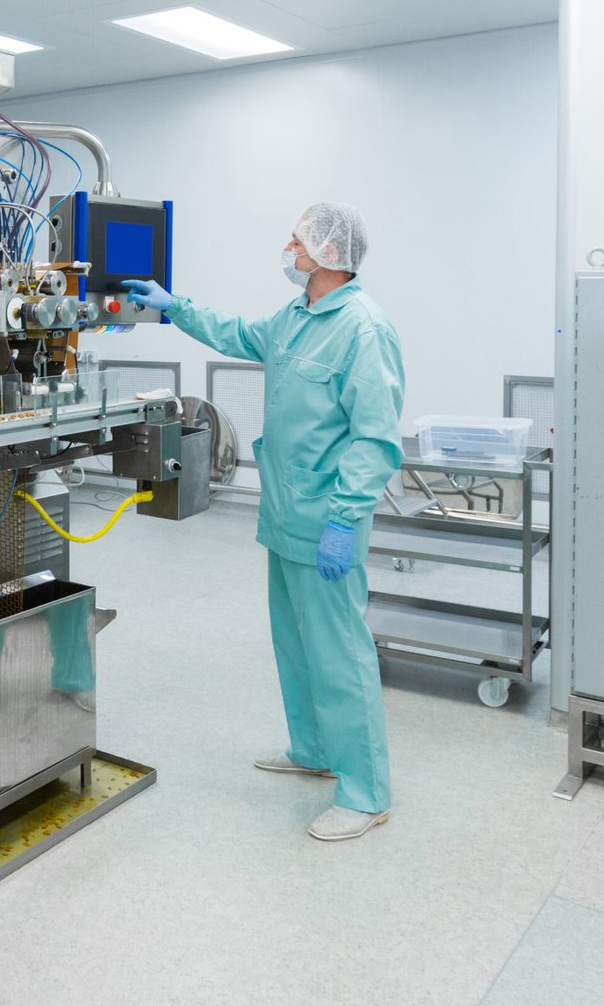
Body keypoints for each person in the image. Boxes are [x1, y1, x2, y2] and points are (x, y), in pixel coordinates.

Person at [122, 201, 404, 842]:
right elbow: (238, 333)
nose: (288, 248)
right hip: (284, 513)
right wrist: (174, 306)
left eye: (297, 240)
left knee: (340, 656)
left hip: (327, 520)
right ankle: (314, 750)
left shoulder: (362, 329)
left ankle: (365, 792)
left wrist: (345, 518)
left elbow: (376, 438)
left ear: (328, 253)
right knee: (296, 646)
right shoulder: (298, 316)